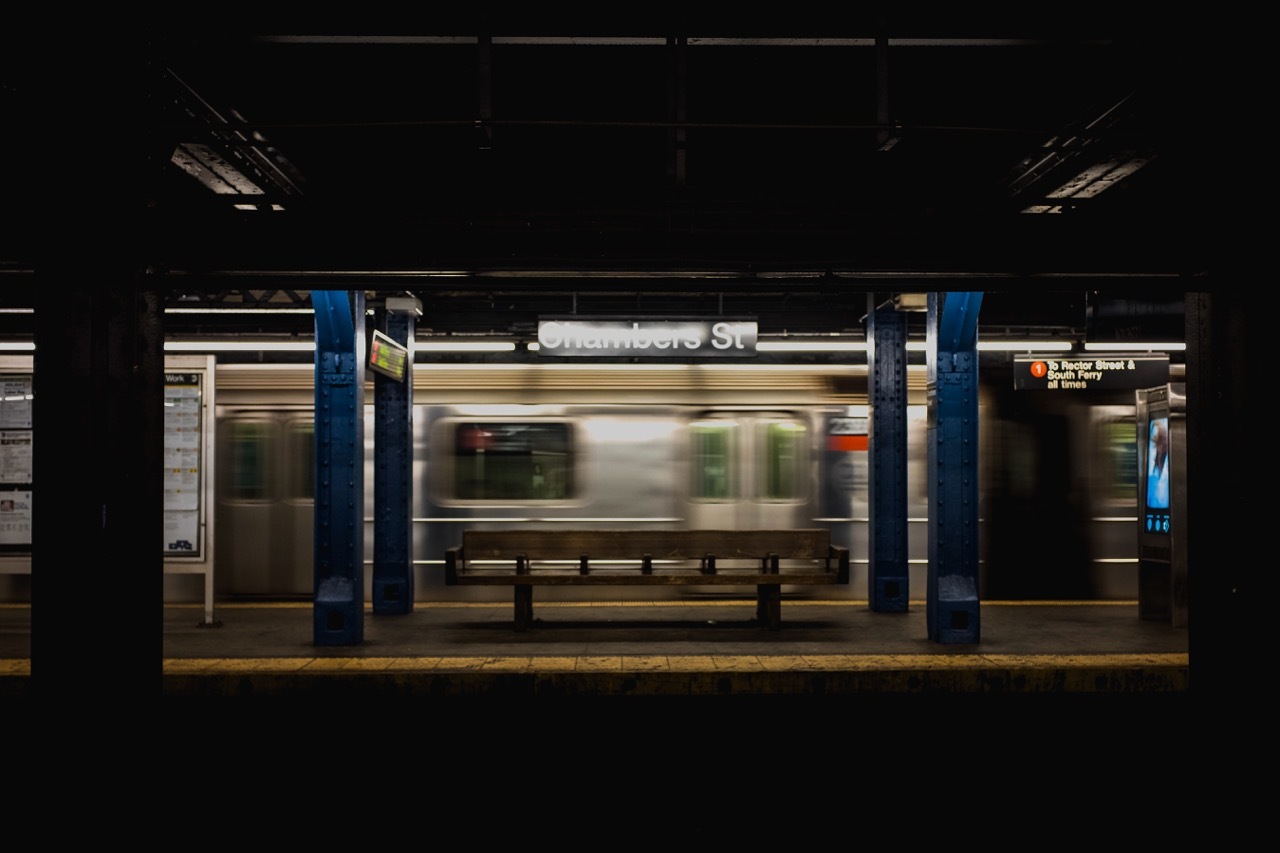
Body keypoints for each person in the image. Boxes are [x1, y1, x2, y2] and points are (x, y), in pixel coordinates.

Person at [1146, 418, 1170, 510]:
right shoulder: (1151, 475)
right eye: (1156, 443)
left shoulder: (1168, 474)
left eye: (1161, 443)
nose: (1159, 448)